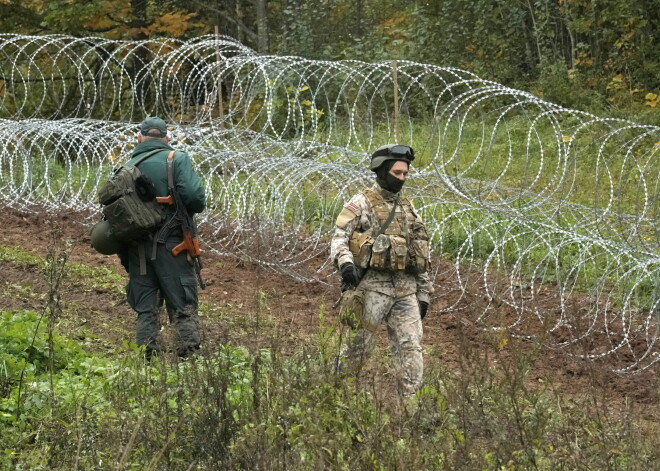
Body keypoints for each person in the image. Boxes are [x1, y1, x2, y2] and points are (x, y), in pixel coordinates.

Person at [330, 144, 434, 397]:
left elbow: (419, 252)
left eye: (405, 174)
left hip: (405, 292)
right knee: (358, 348)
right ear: (382, 170)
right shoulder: (361, 203)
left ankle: (406, 409)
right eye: (397, 173)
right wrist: (345, 265)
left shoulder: (408, 208)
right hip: (373, 290)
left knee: (411, 350)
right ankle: (336, 396)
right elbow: (339, 238)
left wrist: (424, 294)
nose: (402, 178)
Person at [123, 117, 206, 359]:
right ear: (167, 138)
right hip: (174, 247)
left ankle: (148, 361)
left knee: (146, 309)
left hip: (137, 248)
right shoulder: (176, 159)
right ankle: (188, 359)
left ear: (139, 138)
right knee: (183, 304)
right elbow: (196, 199)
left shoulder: (128, 166)